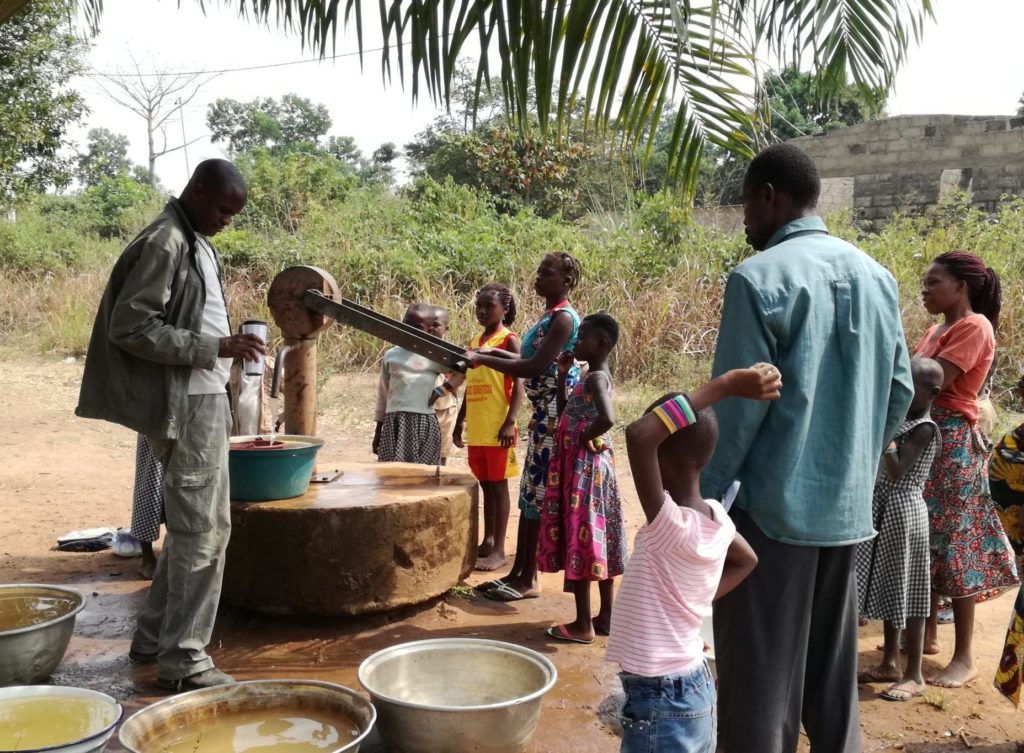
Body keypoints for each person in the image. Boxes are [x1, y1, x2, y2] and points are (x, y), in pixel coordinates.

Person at [700, 143, 914, 753]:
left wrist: (704, 501)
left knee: (759, 684)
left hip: (769, 515)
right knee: (831, 676)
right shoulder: (878, 276)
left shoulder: (757, 278)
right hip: (845, 513)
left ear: (770, 196)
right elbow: (899, 390)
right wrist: (853, 459)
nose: (744, 218)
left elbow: (738, 414)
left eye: (745, 203)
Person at [76, 158, 264, 692]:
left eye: (235, 213)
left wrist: (224, 349)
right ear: (197, 190)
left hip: (204, 398)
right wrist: (215, 346)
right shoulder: (166, 240)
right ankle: (185, 662)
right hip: (187, 404)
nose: (228, 219)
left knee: (192, 531)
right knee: (205, 532)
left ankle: (154, 640)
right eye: (224, 208)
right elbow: (131, 326)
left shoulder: (195, 239)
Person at [608, 364, 781, 753]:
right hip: (694, 686)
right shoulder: (718, 518)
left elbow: (639, 436)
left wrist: (723, 386)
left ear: (661, 457)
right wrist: (696, 602)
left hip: (662, 698)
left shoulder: (668, 523)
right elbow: (747, 560)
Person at [913, 251, 1020, 688]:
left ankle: (965, 655)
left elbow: (934, 378)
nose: (926, 289)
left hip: (952, 441)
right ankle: (930, 637)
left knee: (956, 542)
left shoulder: (974, 327)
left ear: (961, 287)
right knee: (925, 535)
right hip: (926, 437)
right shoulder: (936, 327)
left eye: (934, 281)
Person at [469, 252, 582, 602]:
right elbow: (522, 359)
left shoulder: (563, 318)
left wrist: (482, 358)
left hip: (554, 415)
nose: (537, 277)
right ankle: (518, 572)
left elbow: (533, 367)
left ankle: (529, 579)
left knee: (538, 495)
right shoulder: (548, 317)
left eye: (545, 273)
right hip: (543, 417)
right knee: (530, 496)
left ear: (565, 280)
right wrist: (484, 355)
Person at [855, 357, 944, 702]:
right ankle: (889, 663)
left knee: (911, 593)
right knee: (893, 587)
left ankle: (915, 674)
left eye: (912, 387)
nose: (902, 392)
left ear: (933, 393)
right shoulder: (903, 421)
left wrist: (883, 433)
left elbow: (895, 471)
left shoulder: (924, 427)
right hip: (884, 508)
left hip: (905, 512)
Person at [538, 313, 626, 644]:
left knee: (583, 538)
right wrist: (562, 377)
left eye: (583, 336)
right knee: (597, 537)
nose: (576, 341)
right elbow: (565, 411)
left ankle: (581, 625)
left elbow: (608, 417)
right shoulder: (589, 375)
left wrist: (586, 436)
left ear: (602, 343)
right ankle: (606, 616)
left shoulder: (596, 379)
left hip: (583, 469)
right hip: (588, 468)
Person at [452, 283, 523, 571]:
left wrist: (510, 422)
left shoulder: (509, 340)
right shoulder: (475, 340)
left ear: (504, 309)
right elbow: (472, 385)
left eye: (488, 307)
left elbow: (520, 384)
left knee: (499, 487)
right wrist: (459, 421)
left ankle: (500, 549)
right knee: (484, 485)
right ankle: (488, 539)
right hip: (479, 427)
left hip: (498, 426)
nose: (482, 312)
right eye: (478, 307)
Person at [372, 303, 446, 464]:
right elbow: (383, 395)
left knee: (423, 476)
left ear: (428, 330)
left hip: (424, 423)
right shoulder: (391, 355)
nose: (411, 330)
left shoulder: (434, 355)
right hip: (394, 424)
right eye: (407, 325)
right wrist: (378, 431)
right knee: (392, 475)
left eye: (418, 327)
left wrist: (444, 389)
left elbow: (462, 371)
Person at [429, 306, 464, 466]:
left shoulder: (450, 352)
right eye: (428, 324)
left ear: (446, 328)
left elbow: (460, 375)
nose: (430, 328)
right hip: (425, 410)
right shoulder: (417, 350)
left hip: (446, 410)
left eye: (436, 325)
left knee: (442, 454)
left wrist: (441, 390)